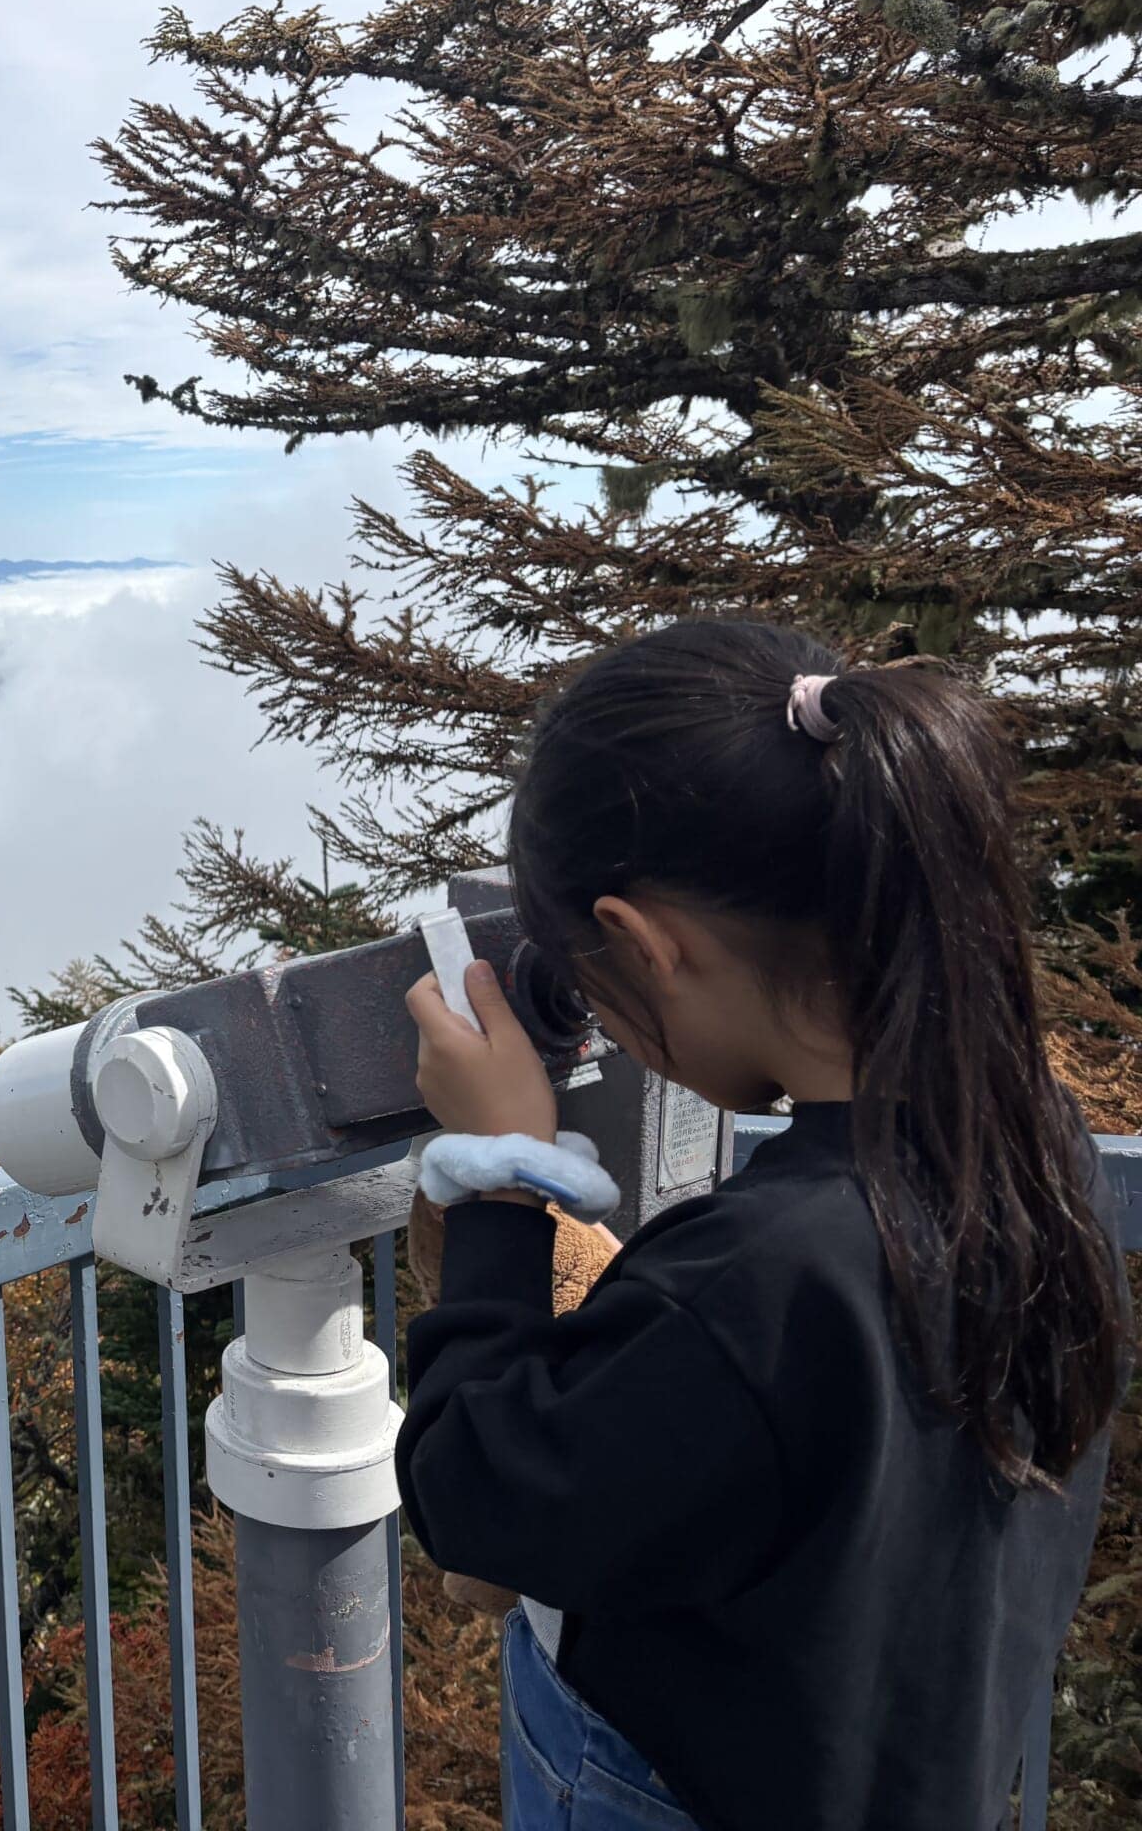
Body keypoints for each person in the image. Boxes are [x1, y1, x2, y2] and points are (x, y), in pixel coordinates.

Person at [395, 619, 1131, 1831]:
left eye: (590, 977)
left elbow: (479, 1503)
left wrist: (501, 1177)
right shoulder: (1032, 1146)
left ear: (645, 944)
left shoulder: (760, 1275)